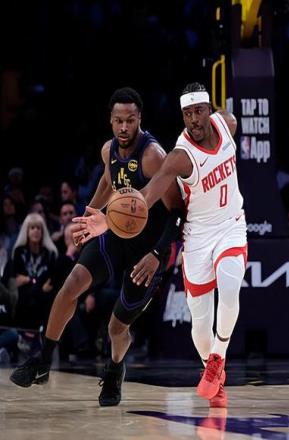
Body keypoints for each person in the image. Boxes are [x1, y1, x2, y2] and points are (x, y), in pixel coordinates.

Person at [73, 82, 247, 408]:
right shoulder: (180, 156)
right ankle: (213, 371)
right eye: (187, 114)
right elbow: (147, 196)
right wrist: (107, 219)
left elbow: (229, 120)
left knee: (230, 284)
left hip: (231, 226)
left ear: (209, 110)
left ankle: (217, 360)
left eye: (198, 111)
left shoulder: (228, 124)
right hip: (197, 235)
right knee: (200, 323)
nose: (193, 120)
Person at [10, 87, 184, 407]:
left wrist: (157, 255)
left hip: (146, 252)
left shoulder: (153, 156)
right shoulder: (108, 150)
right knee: (71, 285)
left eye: (130, 120)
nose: (123, 127)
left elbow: (177, 212)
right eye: (118, 120)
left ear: (139, 119)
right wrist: (89, 215)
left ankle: (115, 369)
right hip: (115, 236)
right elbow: (108, 180)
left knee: (117, 327)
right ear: (110, 120)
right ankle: (43, 360)